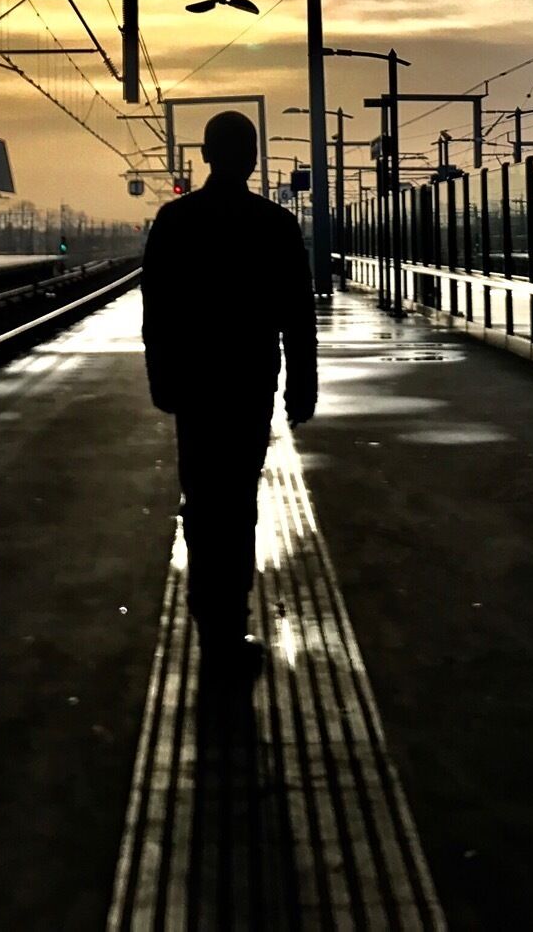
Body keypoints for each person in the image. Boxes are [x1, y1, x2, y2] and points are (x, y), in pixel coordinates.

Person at [141, 111, 317, 679]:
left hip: (195, 386)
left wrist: (160, 378)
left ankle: (207, 617)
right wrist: (302, 384)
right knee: (238, 502)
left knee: (202, 499)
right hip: (248, 385)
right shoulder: (275, 225)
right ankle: (230, 622)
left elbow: (157, 311)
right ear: (253, 157)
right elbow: (298, 315)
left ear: (206, 155)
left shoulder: (175, 221)